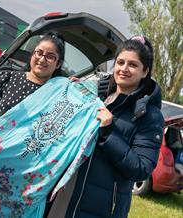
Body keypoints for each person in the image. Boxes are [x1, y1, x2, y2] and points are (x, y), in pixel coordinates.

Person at [47, 36, 165, 218]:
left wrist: (109, 132)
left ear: (144, 71)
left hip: (102, 207)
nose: (124, 69)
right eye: (120, 62)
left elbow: (141, 168)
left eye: (133, 65)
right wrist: (77, 92)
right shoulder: (96, 96)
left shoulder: (150, 116)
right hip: (64, 193)